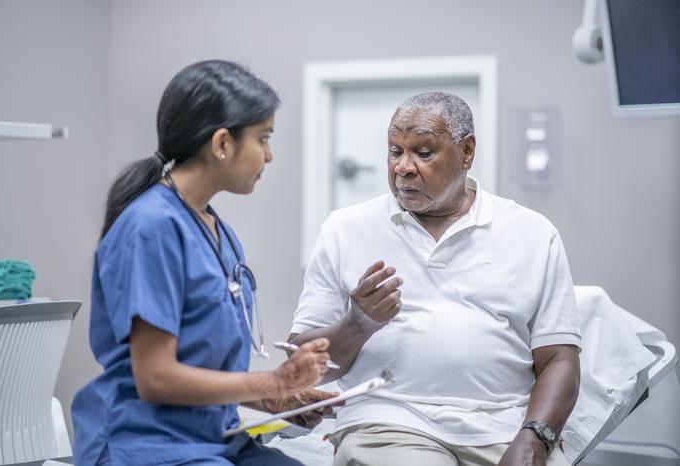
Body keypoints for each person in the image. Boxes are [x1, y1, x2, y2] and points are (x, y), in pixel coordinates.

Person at [289, 92, 581, 466]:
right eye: (395, 151)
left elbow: (559, 357)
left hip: (504, 427)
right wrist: (356, 324)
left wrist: (535, 437)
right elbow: (300, 368)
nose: (403, 168)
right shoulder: (345, 229)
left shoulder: (533, 233)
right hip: (390, 422)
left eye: (423, 153)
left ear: (466, 151)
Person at [72, 60, 334, 466]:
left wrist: (281, 395)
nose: (270, 155)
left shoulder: (217, 230)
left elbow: (206, 365)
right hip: (146, 444)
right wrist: (271, 380)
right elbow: (156, 378)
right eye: (263, 138)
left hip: (214, 435)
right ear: (222, 143)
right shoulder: (152, 227)